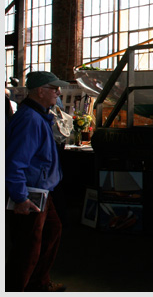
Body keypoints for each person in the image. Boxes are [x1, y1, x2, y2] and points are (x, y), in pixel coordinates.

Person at [5, 71, 70, 292]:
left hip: (42, 191)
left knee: (52, 231)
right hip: (30, 194)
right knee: (28, 248)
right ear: (40, 91)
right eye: (54, 88)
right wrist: (20, 198)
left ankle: (38, 283)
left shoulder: (39, 115)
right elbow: (15, 162)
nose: (58, 92)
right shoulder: (30, 120)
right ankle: (16, 289)